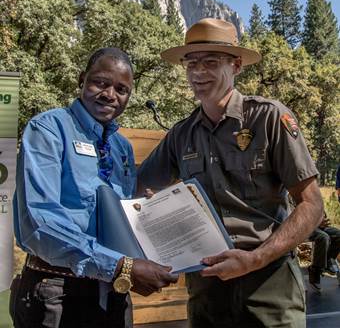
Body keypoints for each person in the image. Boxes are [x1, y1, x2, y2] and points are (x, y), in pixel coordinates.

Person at [138, 18, 324, 327]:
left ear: (236, 66)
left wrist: (255, 259)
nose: (198, 73)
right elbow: (137, 190)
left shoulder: (268, 118)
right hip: (207, 288)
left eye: (210, 62)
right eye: (191, 63)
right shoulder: (180, 135)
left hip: (269, 284)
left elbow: (312, 204)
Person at [9, 47, 178, 328]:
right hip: (57, 292)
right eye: (101, 82)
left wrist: (147, 211)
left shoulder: (121, 147)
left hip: (114, 292)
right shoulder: (48, 129)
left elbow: (116, 216)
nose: (110, 94)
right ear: (81, 80)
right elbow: (39, 225)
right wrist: (120, 266)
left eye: (121, 89)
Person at [308, 214, 340, 291]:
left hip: (319, 226)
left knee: (338, 235)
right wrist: (316, 223)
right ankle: (315, 270)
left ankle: (328, 260)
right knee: (323, 237)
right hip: (306, 227)